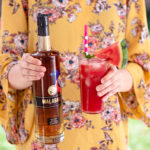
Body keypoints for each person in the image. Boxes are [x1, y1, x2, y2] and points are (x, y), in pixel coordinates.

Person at [0, 0, 150, 149]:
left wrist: (122, 79)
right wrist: (24, 72)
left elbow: (142, 63)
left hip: (104, 134)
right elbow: (5, 66)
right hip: (44, 133)